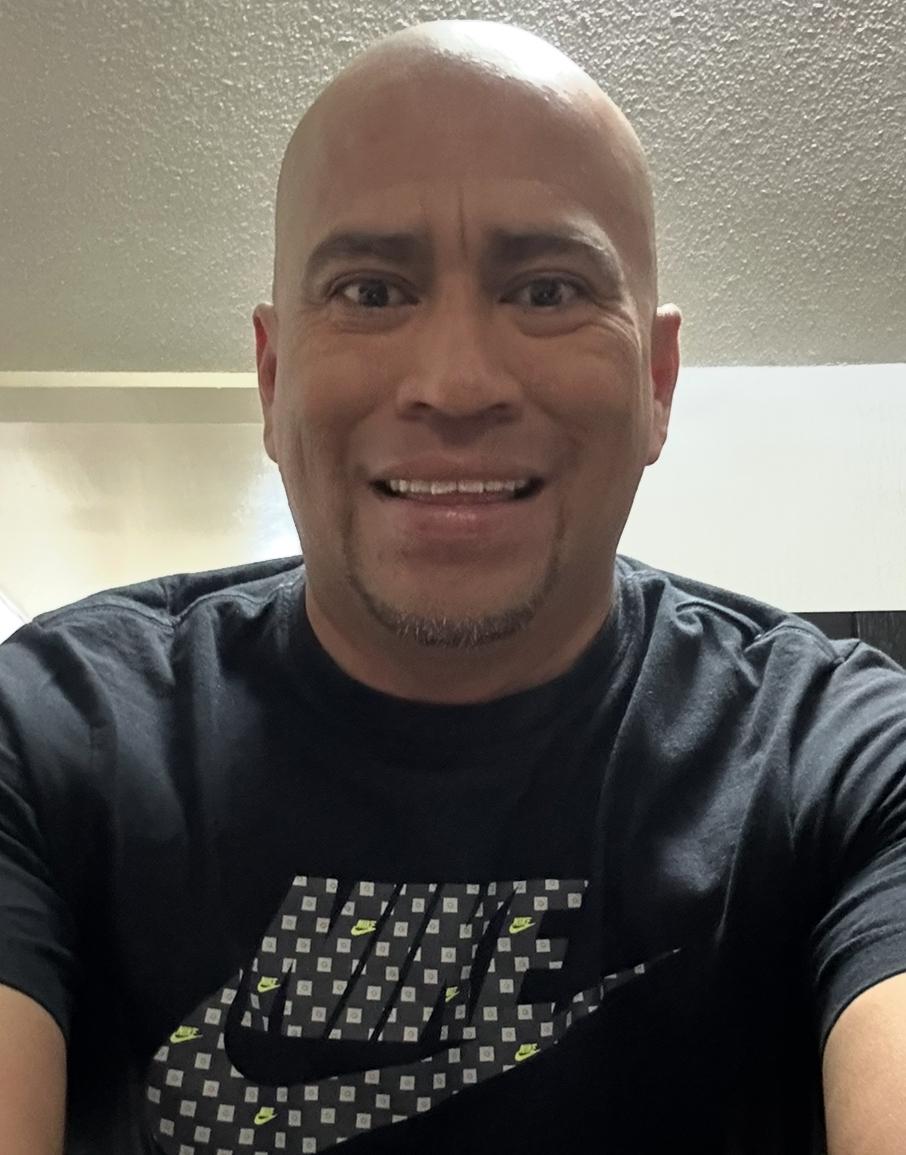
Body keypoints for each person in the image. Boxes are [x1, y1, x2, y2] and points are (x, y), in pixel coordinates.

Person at [0, 19, 904, 1155]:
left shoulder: (850, 760)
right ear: (273, 379)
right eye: (372, 291)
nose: (457, 382)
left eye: (549, 290)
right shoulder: (46, 730)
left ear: (658, 381)